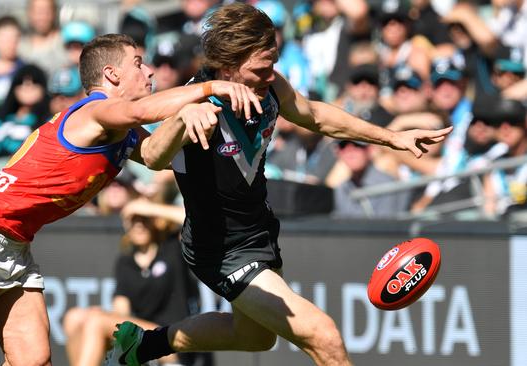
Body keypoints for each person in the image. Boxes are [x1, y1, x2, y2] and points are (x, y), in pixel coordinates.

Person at [0, 33, 262, 365]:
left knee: (36, 360)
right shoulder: (96, 111)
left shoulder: (120, 128)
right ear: (112, 74)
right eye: (139, 63)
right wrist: (212, 87)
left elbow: (153, 157)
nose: (148, 73)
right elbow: (143, 110)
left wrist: (186, 117)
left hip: (13, 246)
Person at [105, 4, 452, 366]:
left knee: (253, 337)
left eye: (272, 63)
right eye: (260, 68)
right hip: (220, 251)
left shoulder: (266, 82)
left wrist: (392, 138)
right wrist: (181, 120)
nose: (271, 75)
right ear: (227, 69)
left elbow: (315, 115)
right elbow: (155, 157)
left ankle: (142, 346)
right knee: (324, 335)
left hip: (259, 233)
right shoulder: (198, 106)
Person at [63, 198, 211, 366]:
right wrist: (105, 317)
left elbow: (199, 221)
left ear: (153, 221)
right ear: (126, 226)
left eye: (143, 219)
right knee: (74, 318)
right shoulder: (125, 262)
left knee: (96, 321)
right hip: (145, 338)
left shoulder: (172, 248)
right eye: (133, 220)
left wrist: (150, 208)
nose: (139, 225)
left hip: (173, 337)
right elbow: (121, 311)